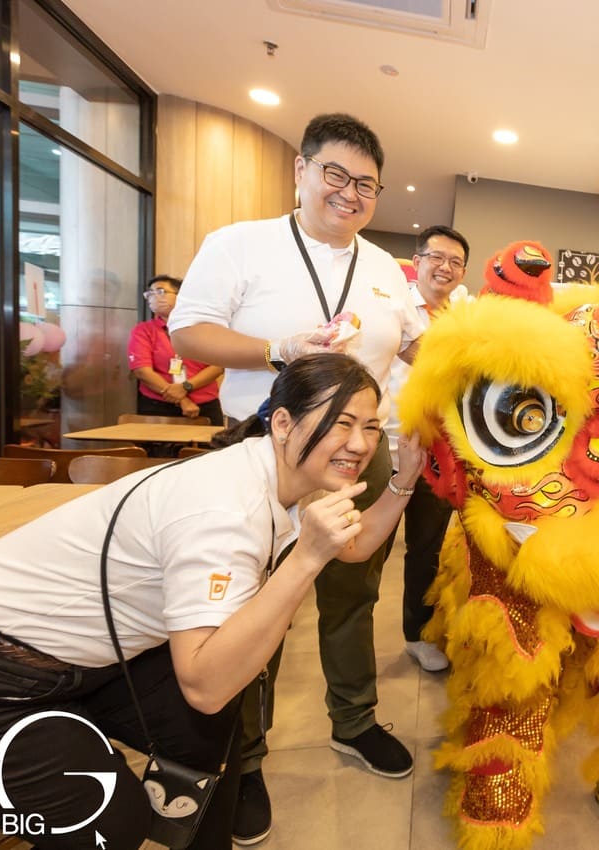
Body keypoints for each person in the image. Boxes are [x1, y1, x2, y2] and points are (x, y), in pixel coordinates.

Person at [0, 353, 425, 850]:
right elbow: (205, 684)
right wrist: (305, 560)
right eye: (341, 423)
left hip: (87, 660)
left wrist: (404, 479)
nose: (362, 444)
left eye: (371, 426)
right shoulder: (224, 507)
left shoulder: (279, 474)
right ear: (283, 422)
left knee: (204, 734)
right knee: (109, 824)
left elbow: (354, 545)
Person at [166, 113, 424, 844]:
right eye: (335, 174)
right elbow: (190, 333)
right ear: (302, 171)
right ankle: (243, 759)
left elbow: (411, 344)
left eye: (365, 184)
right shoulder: (239, 242)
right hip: (262, 451)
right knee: (257, 610)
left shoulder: (383, 269)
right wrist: (278, 348)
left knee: (352, 591)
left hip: (355, 453)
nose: (349, 193)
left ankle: (355, 720)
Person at [384, 225, 471, 673]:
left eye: (456, 261)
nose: (445, 267)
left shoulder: (466, 311)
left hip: (443, 452)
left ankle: (417, 634)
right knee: (371, 548)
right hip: (390, 445)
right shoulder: (394, 307)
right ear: (417, 261)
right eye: (436, 257)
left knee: (427, 547)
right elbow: (417, 355)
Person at [127, 275, 224, 425]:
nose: (153, 297)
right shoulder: (143, 330)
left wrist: (186, 387)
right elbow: (142, 371)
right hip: (157, 406)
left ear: (181, 296)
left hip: (204, 404)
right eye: (150, 293)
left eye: (160, 291)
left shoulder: (204, 327)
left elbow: (218, 366)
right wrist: (182, 399)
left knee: (208, 448)